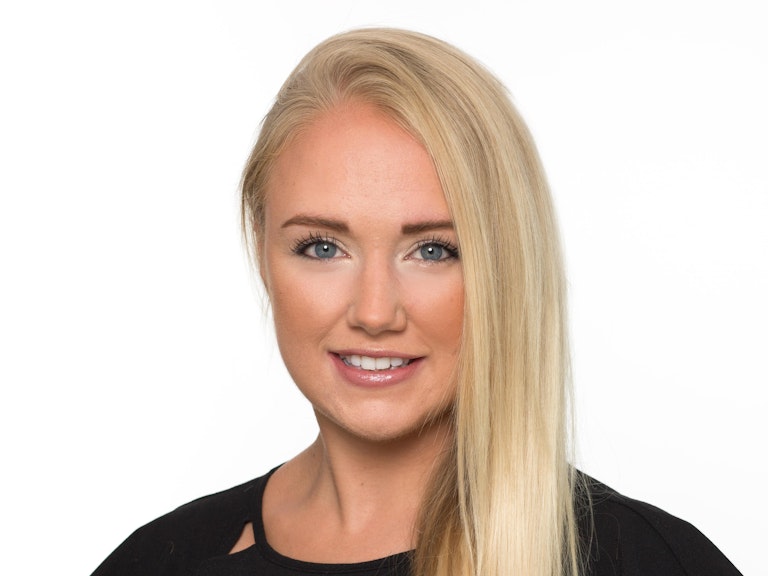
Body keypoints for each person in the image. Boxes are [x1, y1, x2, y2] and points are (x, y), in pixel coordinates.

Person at [92, 28, 742, 576]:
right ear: (264, 250)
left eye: (433, 250)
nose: (375, 312)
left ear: (504, 268)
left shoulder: (646, 561)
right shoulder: (161, 560)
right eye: (322, 247)